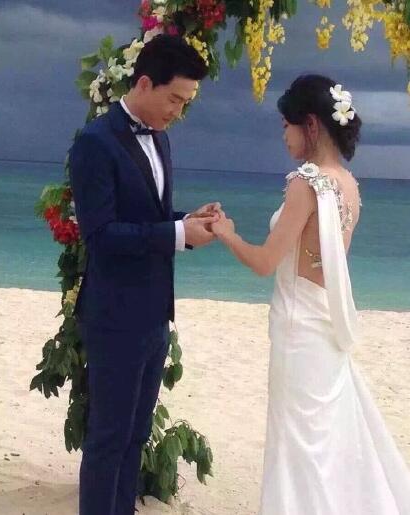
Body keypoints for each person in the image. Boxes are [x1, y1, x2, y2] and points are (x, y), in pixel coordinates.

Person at [211, 74, 410, 514]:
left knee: (295, 443)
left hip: (298, 328)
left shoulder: (306, 181)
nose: (284, 135)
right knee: (324, 441)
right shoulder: (349, 183)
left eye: (287, 125)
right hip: (325, 325)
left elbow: (266, 262)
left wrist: (226, 233)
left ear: (312, 125)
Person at [69, 34, 220, 515]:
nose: (178, 110)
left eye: (186, 102)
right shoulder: (95, 143)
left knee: (135, 436)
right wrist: (176, 233)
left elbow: (148, 218)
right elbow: (101, 236)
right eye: (174, 98)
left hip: (155, 312)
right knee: (108, 438)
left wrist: (187, 222)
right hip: (114, 314)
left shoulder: (162, 138)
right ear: (145, 83)